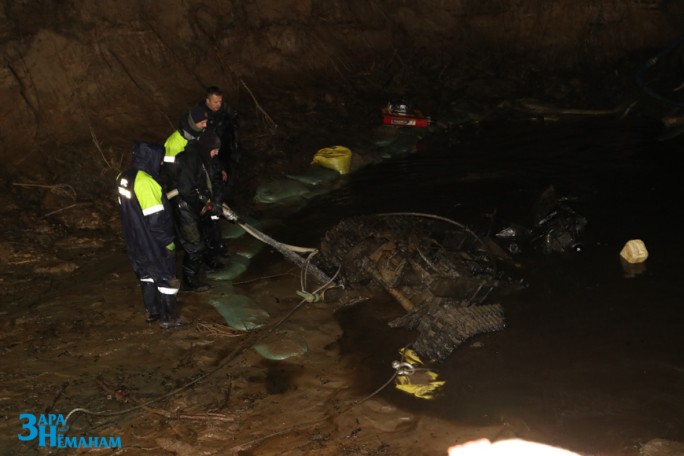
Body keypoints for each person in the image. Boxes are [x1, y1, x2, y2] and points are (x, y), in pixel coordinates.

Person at [115, 142, 187, 329]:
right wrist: (168, 242)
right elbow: (156, 219)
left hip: (133, 238)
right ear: (151, 158)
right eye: (159, 159)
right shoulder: (146, 181)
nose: (161, 163)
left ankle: (152, 312)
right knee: (165, 277)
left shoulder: (123, 176)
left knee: (145, 275)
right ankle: (169, 318)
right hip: (151, 240)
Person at [172, 128, 225, 292]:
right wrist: (202, 206)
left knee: (207, 234)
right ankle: (189, 281)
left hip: (197, 205)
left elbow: (213, 180)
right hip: (185, 208)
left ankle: (209, 262)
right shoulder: (190, 159)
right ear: (207, 147)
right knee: (194, 244)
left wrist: (215, 201)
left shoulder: (206, 159)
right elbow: (186, 190)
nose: (216, 153)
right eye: (214, 150)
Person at [160, 105, 208, 192]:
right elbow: (171, 169)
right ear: (193, 123)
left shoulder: (198, 133)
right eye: (202, 122)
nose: (205, 125)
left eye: (206, 121)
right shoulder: (174, 142)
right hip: (181, 186)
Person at [201, 86, 240, 183]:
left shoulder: (226, 109)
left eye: (220, 101)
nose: (219, 105)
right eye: (216, 102)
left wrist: (236, 145)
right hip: (213, 154)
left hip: (226, 149)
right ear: (208, 101)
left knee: (230, 174)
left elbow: (234, 127)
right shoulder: (200, 115)